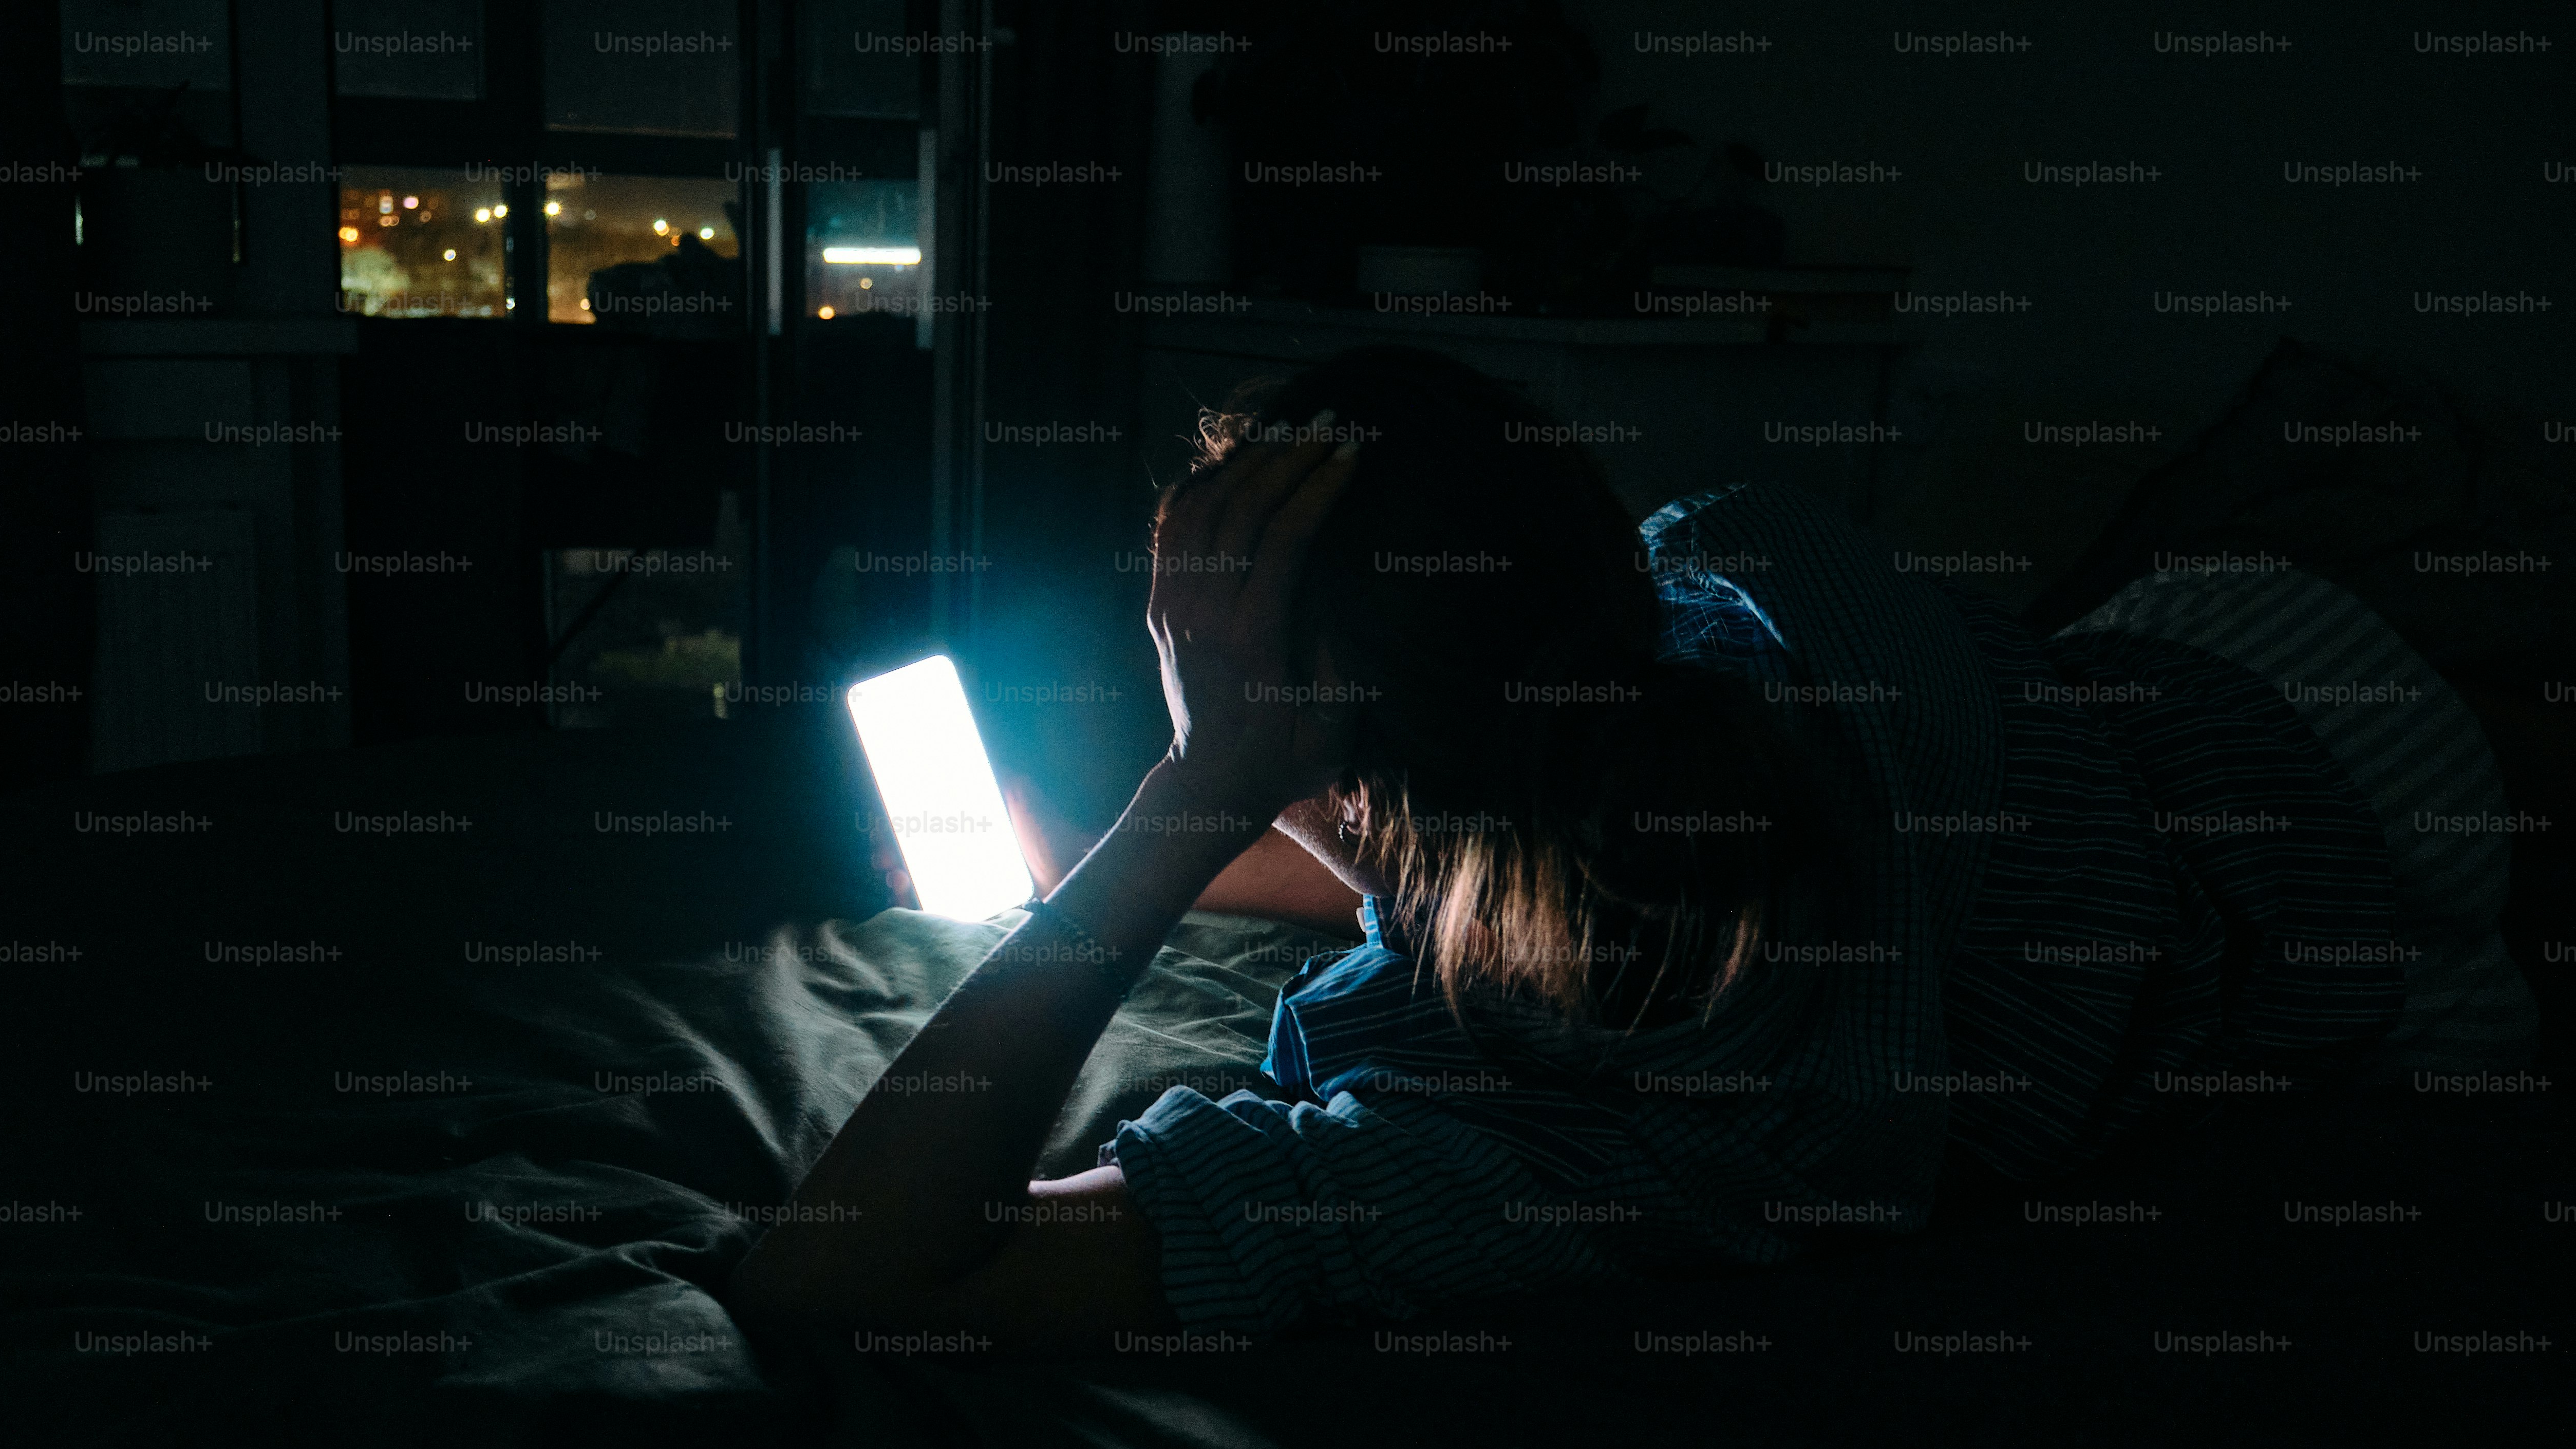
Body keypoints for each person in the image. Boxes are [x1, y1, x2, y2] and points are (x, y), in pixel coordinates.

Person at [725, 346, 2535, 1352]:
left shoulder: (1572, 1147)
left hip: (2376, 852)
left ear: (1332, 760)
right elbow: (1482, 854)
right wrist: (1148, 840)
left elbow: (845, 1270)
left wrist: (1193, 798)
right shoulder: (1736, 587)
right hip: (2208, 670)